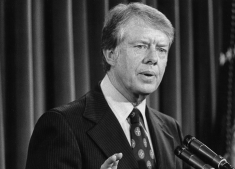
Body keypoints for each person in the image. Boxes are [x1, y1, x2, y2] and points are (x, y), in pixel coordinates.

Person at [26, 2, 190, 169]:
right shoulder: (62, 125)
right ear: (110, 54)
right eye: (141, 46)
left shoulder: (170, 128)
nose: (153, 59)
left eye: (161, 50)